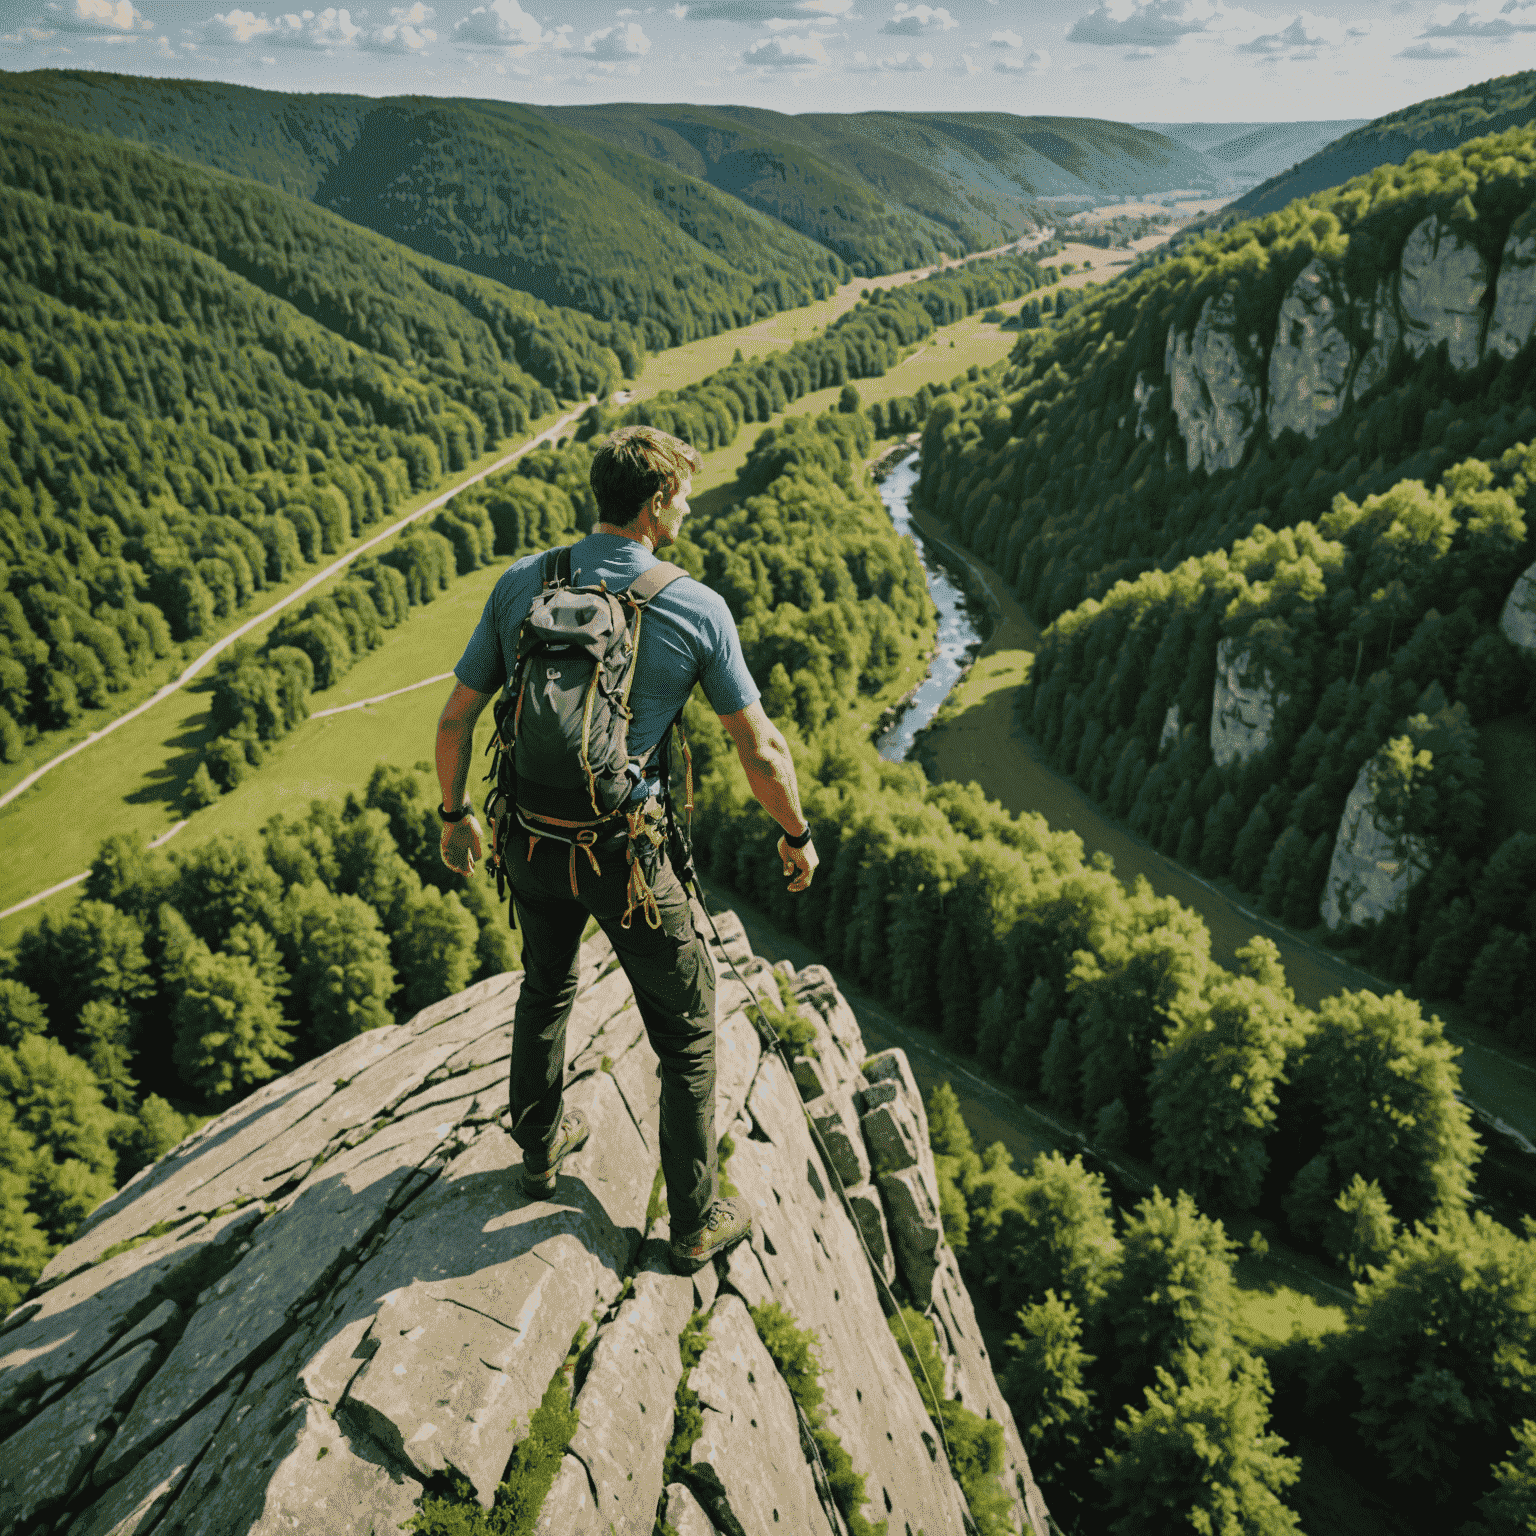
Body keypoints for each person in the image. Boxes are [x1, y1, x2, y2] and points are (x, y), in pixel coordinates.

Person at [433, 424, 818, 1273]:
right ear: (652, 507)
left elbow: (456, 717)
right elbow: (762, 753)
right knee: (685, 1034)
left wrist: (456, 813)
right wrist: (795, 835)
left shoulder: (522, 583)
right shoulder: (693, 604)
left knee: (546, 983)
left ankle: (538, 1149)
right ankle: (692, 1220)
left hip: (529, 838)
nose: (690, 508)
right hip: (626, 858)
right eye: (682, 496)